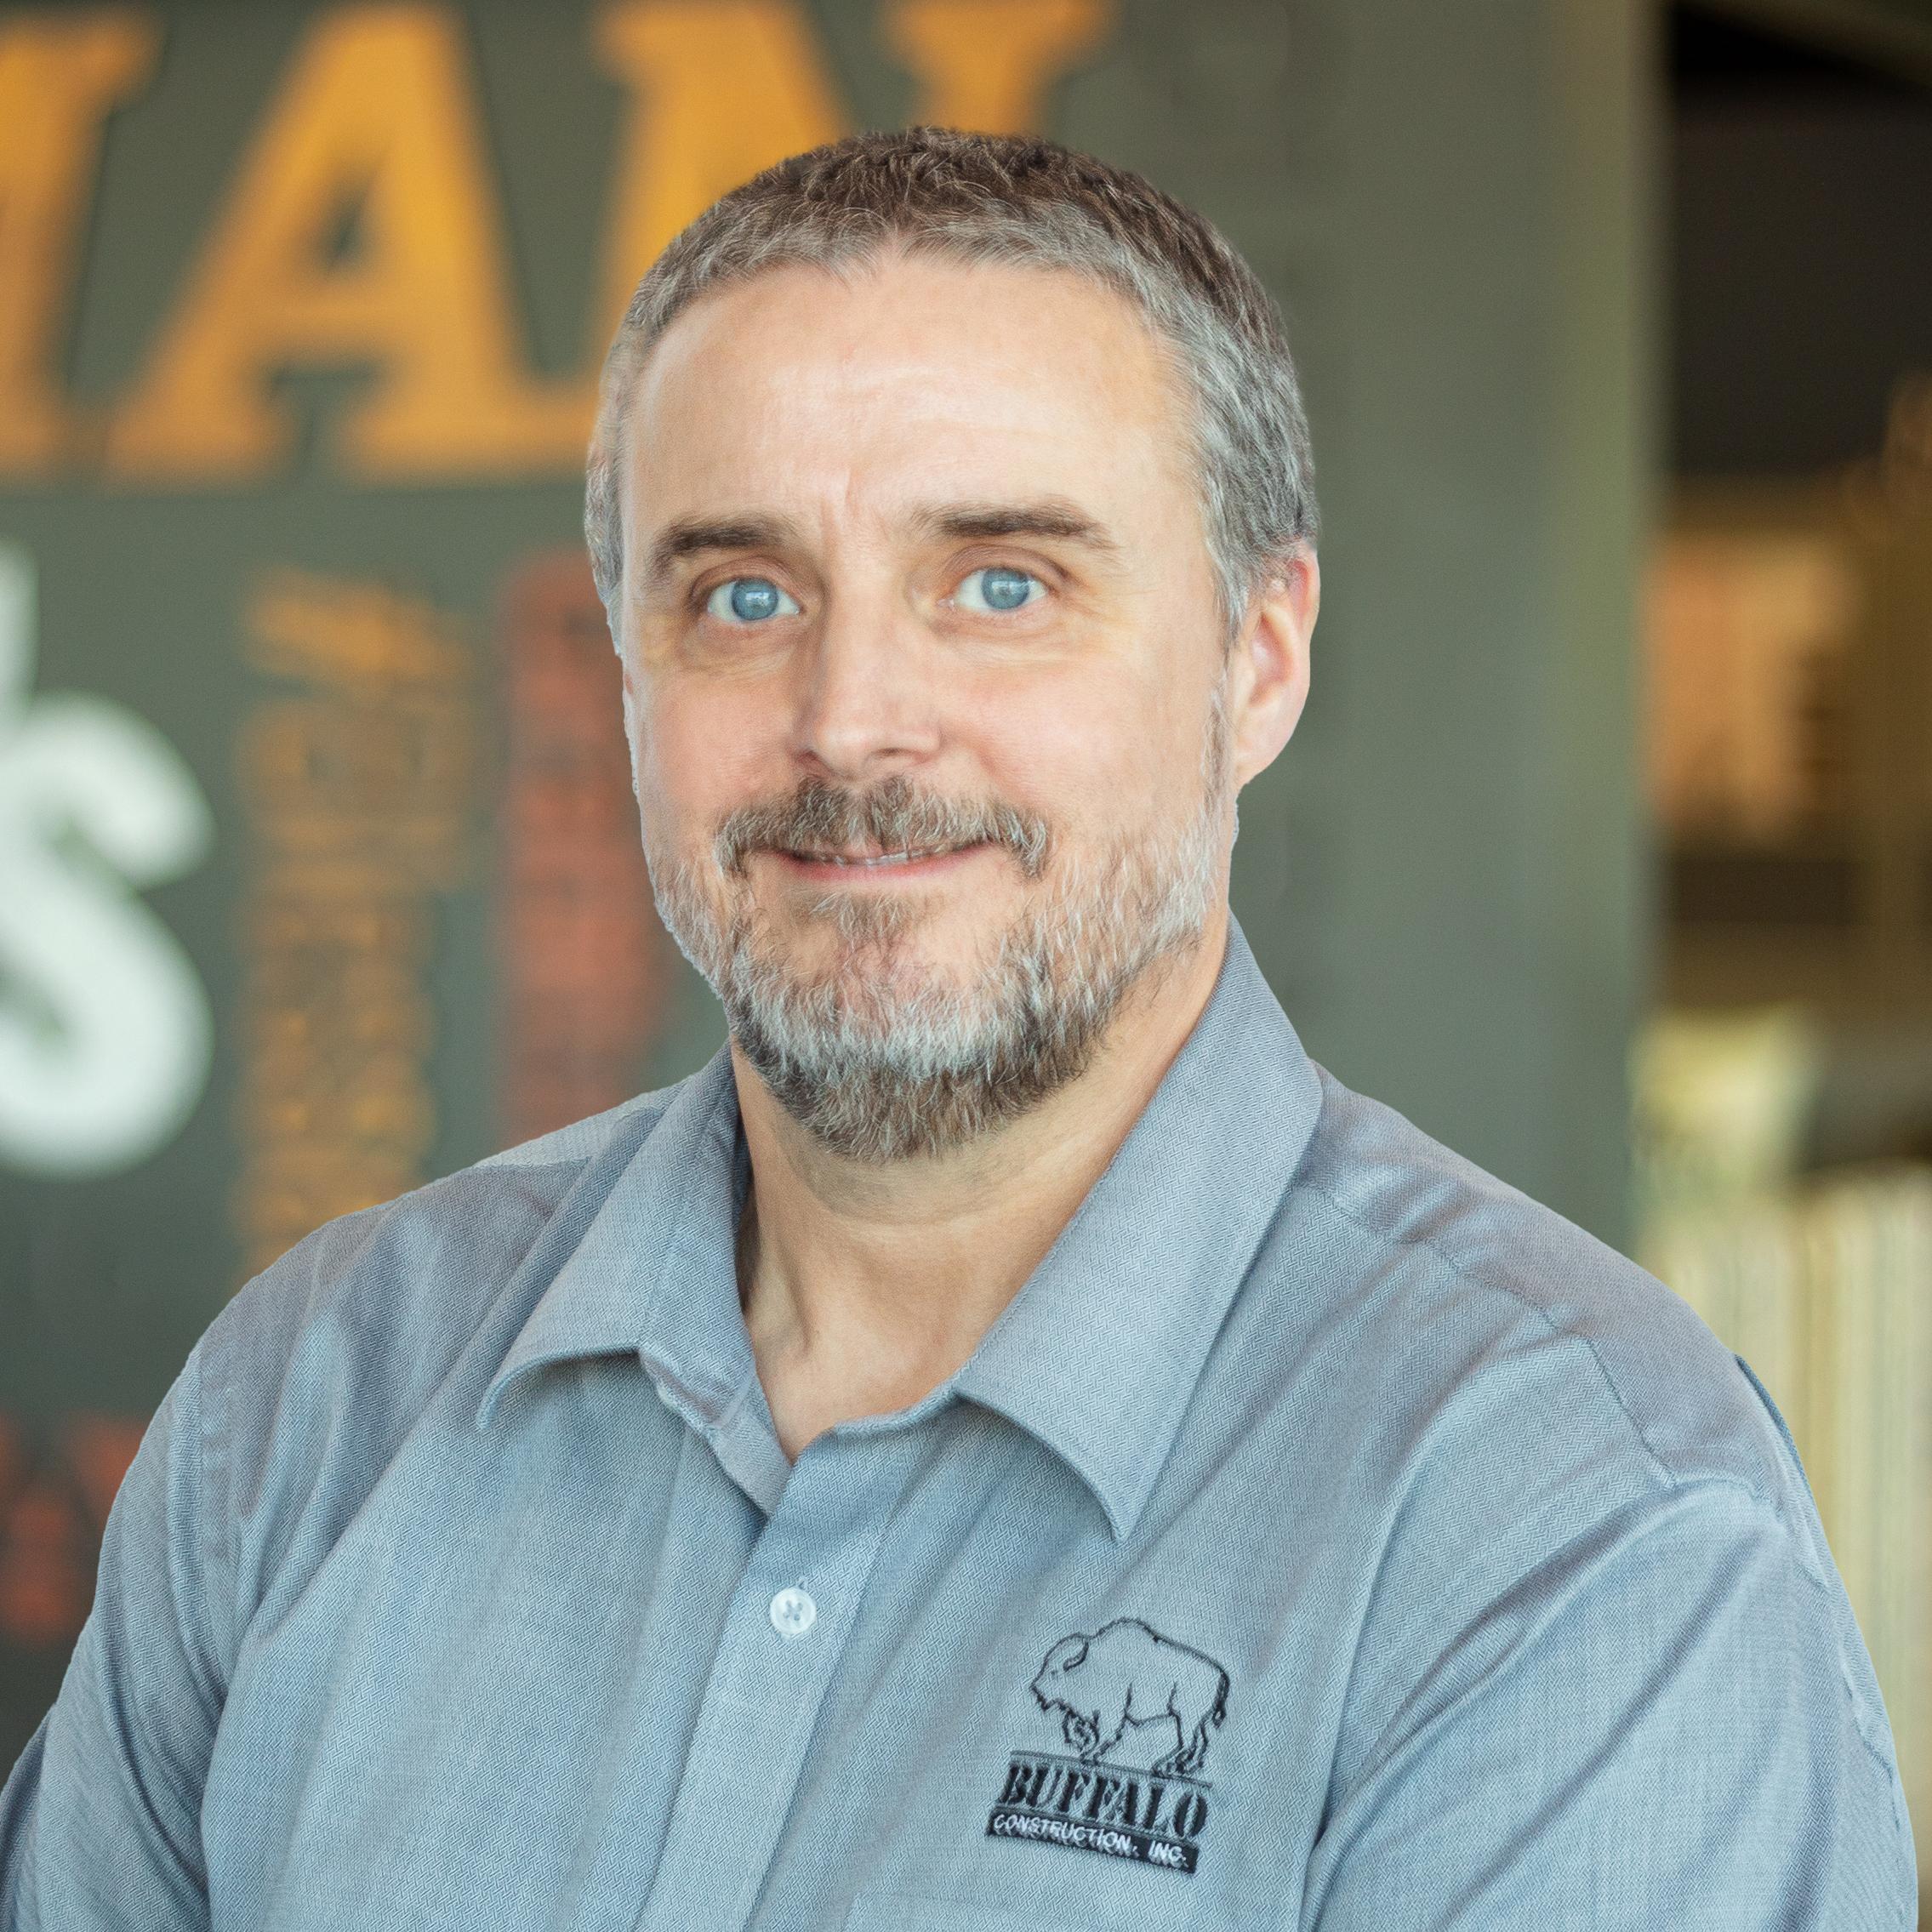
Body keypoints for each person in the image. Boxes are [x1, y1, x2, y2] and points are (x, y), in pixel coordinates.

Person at [0, 126, 1915, 1931]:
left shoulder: (1574, 1527)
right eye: (741, 592)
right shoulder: (311, 1404)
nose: (850, 720)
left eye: (1001, 583)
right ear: (623, 666)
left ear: (1258, 658)